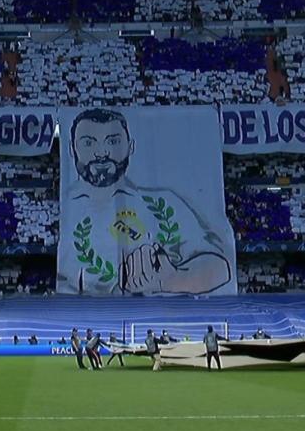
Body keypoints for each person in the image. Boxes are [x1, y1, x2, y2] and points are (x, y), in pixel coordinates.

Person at [60, 108, 233, 295]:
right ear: (71, 148)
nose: (101, 153)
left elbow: (218, 266)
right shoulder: (61, 209)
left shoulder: (163, 204)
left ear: (130, 146)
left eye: (113, 141)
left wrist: (174, 279)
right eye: (88, 143)